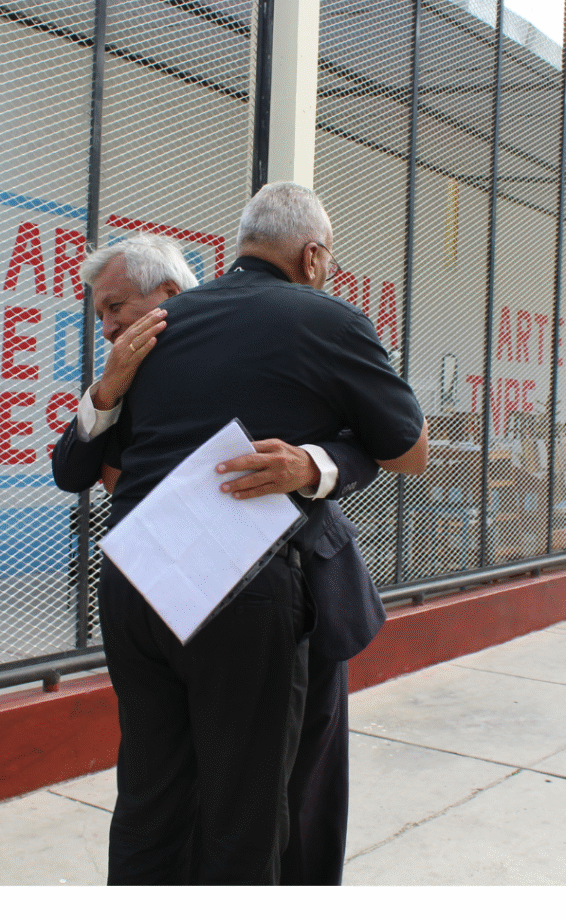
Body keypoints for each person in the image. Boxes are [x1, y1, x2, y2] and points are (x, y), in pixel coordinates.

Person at [74, 184, 427, 884]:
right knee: (246, 810)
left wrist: (312, 461)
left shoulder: (155, 328)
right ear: (314, 256)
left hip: (136, 578)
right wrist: (318, 462)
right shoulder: (327, 319)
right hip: (243, 587)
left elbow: (100, 464)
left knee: (149, 797)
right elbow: (407, 449)